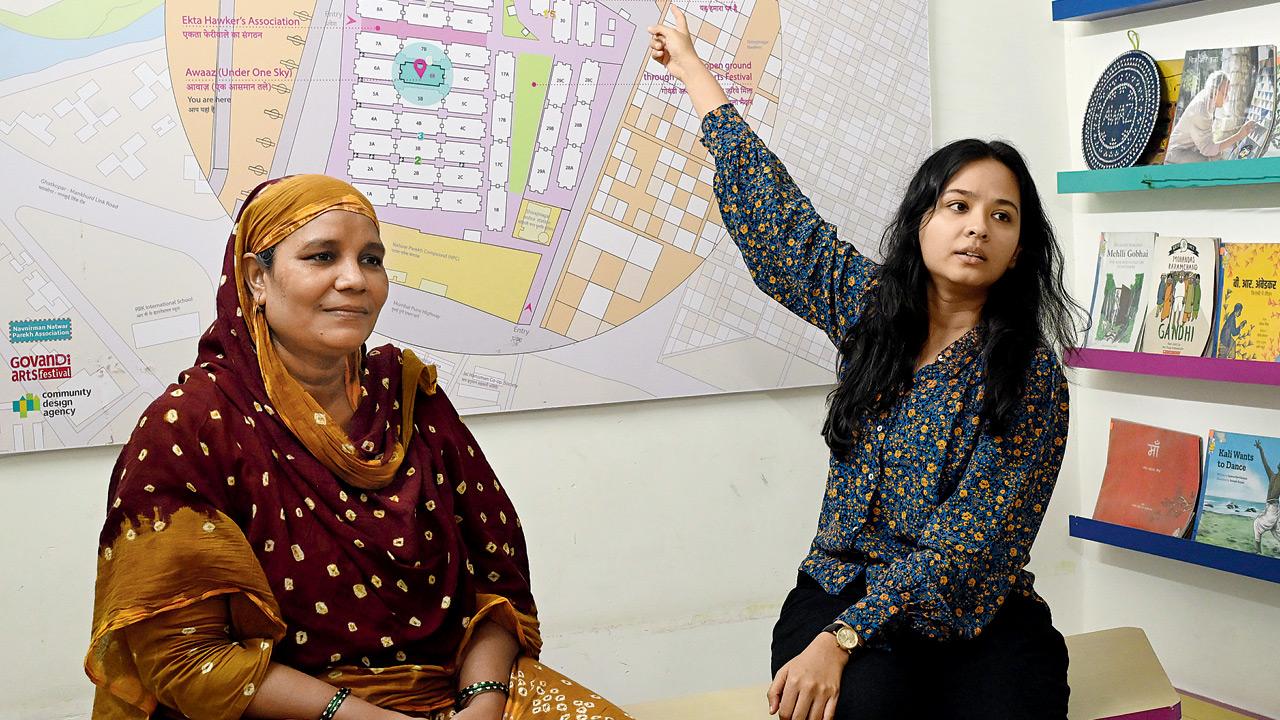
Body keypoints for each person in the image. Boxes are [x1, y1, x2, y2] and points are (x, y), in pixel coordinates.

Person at [649, 9, 1079, 720]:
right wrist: (695, 72)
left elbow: (965, 546)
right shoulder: (874, 311)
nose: (977, 226)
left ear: (1021, 248)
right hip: (839, 585)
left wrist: (846, 639)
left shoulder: (1028, 375)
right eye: (958, 205)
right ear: (922, 221)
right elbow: (781, 225)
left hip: (978, 606)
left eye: (1002, 216)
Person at [86, 175, 631, 720]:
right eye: (322, 257)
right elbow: (187, 656)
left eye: (371, 260)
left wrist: (479, 705)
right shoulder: (190, 426)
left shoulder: (411, 399)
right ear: (256, 277)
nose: (354, 280)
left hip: (455, 693)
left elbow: (497, 586)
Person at [1166, 70, 1259, 164]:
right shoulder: (1201, 111)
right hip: (1176, 154)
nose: (1227, 98)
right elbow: (1208, 149)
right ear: (1215, 91)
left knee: (1219, 155)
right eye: (1225, 93)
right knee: (1213, 164)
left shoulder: (1207, 99)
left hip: (1190, 148)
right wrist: (1239, 135)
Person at [1253, 440, 1280, 554]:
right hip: (1271, 507)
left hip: (1273, 508)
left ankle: (1258, 550)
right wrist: (1261, 449)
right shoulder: (1272, 476)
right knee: (1277, 532)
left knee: (1257, 523)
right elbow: (1265, 463)